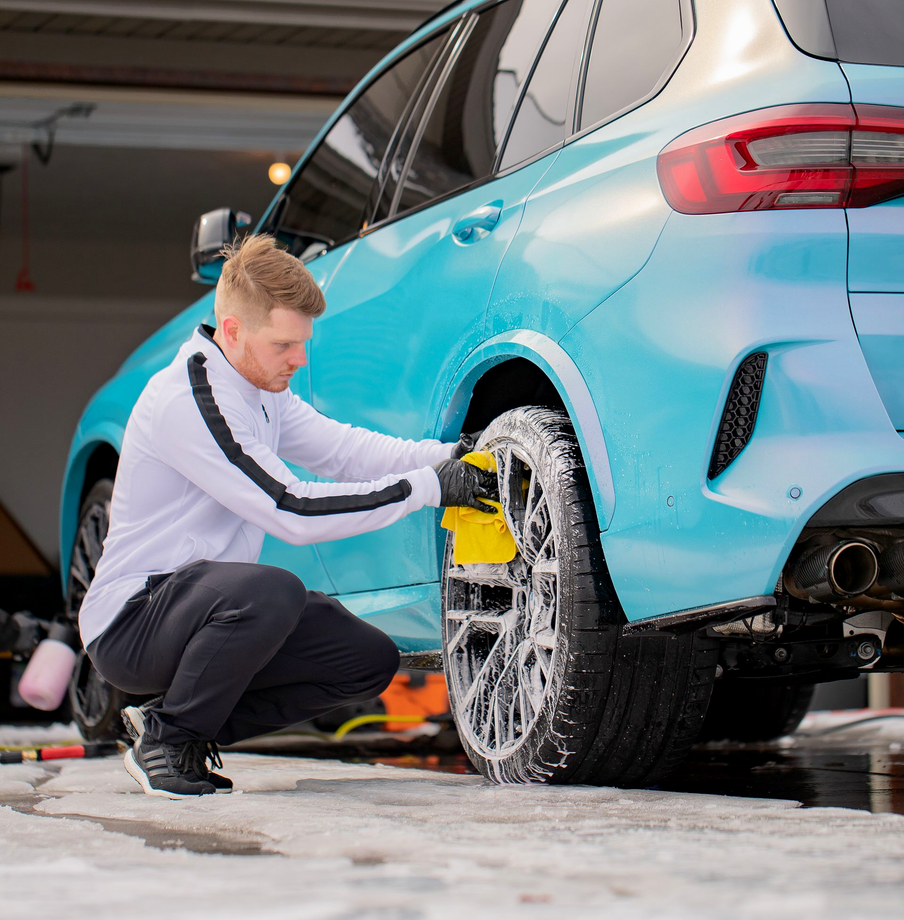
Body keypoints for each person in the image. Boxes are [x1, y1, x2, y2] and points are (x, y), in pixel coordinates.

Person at [79, 233, 496, 799]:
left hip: (204, 610)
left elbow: (343, 449)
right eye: (284, 345)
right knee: (270, 591)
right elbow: (291, 510)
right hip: (134, 620)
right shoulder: (191, 400)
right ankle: (171, 742)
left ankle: (169, 723)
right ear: (233, 331)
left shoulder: (257, 384)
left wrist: (447, 457)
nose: (299, 360)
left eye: (302, 343)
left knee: (366, 661)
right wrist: (425, 488)